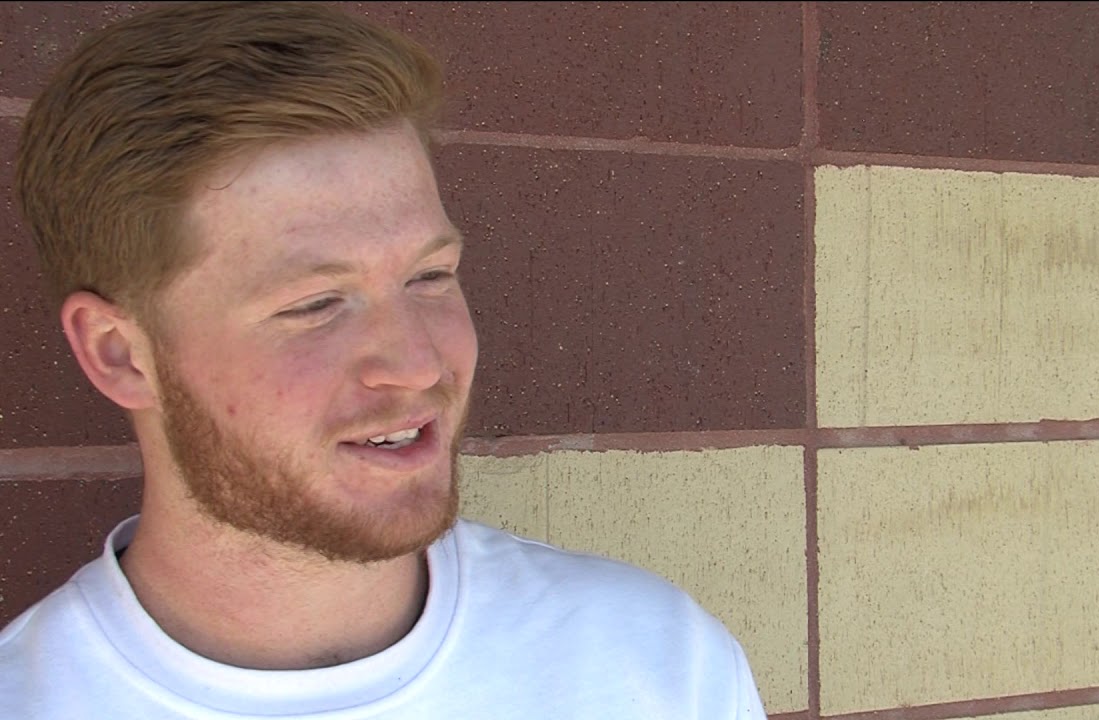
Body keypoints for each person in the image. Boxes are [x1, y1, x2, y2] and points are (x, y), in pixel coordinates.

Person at [0, 2, 766, 717]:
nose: (418, 364)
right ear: (120, 354)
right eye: (314, 304)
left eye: (430, 277)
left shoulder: (655, 666)